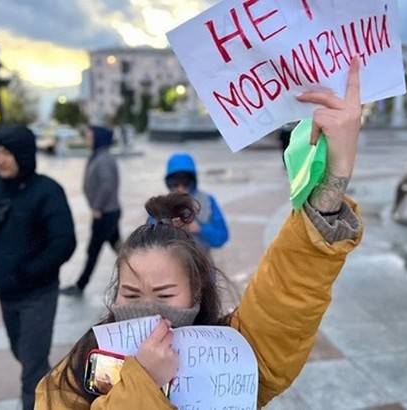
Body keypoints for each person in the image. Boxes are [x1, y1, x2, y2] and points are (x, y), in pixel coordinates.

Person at [35, 58, 364, 409]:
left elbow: (287, 297)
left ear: (197, 294)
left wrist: (331, 182)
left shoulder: (233, 356)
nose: (147, 311)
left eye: (164, 295)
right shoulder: (72, 377)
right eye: (131, 294)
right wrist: (142, 383)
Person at [0, 126, 76, 410]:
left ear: (22, 154)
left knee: (32, 370)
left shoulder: (47, 191)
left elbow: (64, 242)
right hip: (6, 294)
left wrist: (29, 272)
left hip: (37, 294)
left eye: (6, 153)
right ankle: (56, 396)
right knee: (22, 354)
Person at [61, 126, 121, 297]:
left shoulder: (103, 159)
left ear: (98, 138)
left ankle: (80, 285)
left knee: (93, 250)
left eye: (89, 136)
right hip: (109, 211)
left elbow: (107, 185)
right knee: (119, 247)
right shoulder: (99, 155)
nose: (86, 139)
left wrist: (97, 206)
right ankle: (140, 271)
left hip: (105, 213)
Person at [162, 152, 229, 252]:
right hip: (169, 263)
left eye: (185, 182)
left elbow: (222, 237)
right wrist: (167, 229)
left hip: (202, 262)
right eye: (174, 183)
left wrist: (200, 229)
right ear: (168, 183)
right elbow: (149, 240)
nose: (180, 188)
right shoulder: (160, 205)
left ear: (193, 181)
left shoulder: (206, 201)